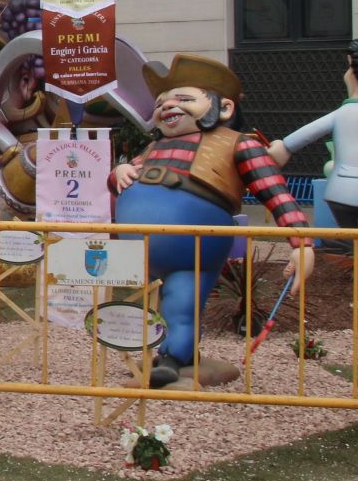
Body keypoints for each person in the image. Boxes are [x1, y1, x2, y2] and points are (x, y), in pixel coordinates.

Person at [112, 55, 310, 389]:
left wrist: (302, 243)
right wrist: (117, 172)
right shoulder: (153, 148)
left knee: (181, 302)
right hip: (137, 255)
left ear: (225, 108)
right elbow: (122, 177)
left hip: (192, 251)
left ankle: (173, 359)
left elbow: (275, 192)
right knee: (145, 307)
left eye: (185, 99)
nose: (169, 106)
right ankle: (173, 354)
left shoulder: (239, 143)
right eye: (161, 103)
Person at [268, 34, 358, 278]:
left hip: (342, 187)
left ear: (351, 71)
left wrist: (283, 148)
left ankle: (357, 264)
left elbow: (303, 136)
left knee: (351, 234)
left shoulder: (338, 115)